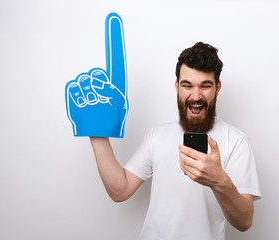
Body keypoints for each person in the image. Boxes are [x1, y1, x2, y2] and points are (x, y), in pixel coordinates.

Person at [90, 42, 261, 239]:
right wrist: (97, 133)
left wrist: (219, 181)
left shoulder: (236, 141)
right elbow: (120, 191)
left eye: (205, 86)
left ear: (217, 88)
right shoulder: (157, 135)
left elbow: (244, 221)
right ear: (177, 86)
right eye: (187, 85)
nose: (196, 96)